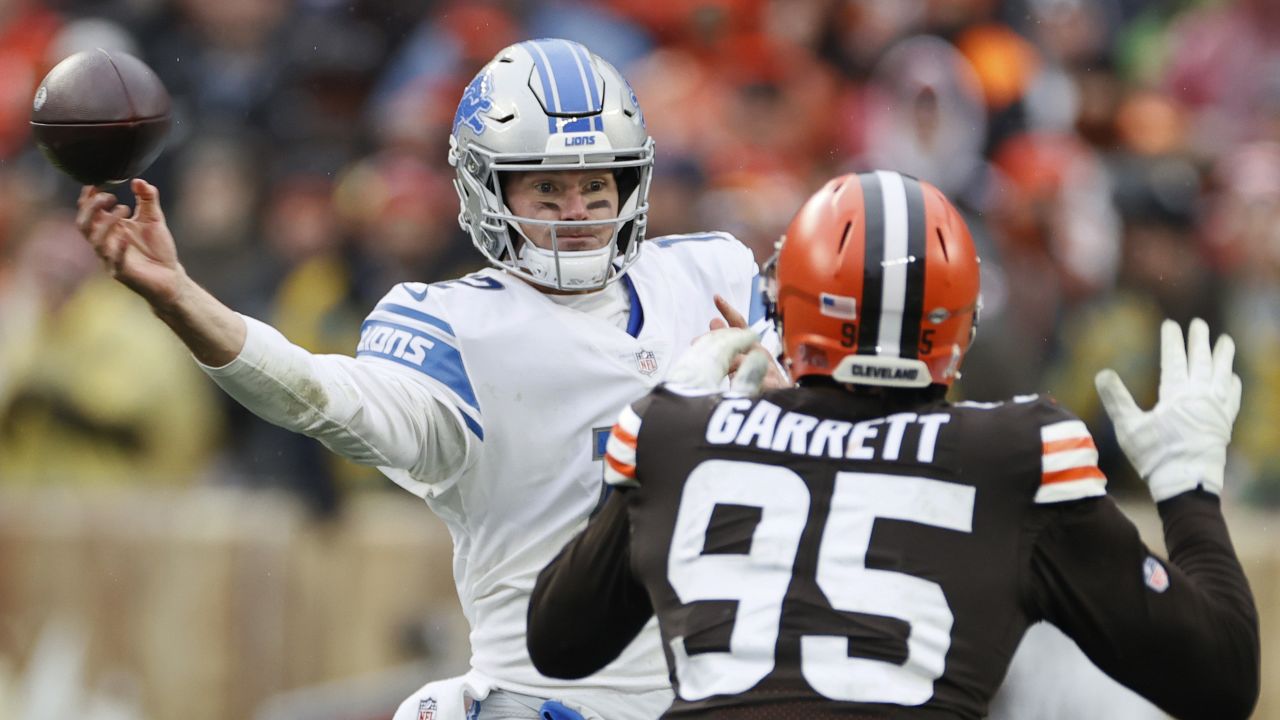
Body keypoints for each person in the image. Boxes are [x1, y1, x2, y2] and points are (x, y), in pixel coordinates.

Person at [75, 38, 780, 720]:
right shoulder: (458, 327)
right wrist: (181, 298)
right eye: (547, 187)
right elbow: (319, 397)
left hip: (733, 692)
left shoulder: (714, 275)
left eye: (596, 183)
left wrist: (792, 400)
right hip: (553, 701)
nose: (577, 213)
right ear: (488, 187)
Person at [527, 170, 1260, 719]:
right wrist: (1187, 485)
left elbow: (559, 645)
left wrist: (652, 436)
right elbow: (1220, 681)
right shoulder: (1014, 456)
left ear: (787, 301)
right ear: (958, 326)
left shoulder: (677, 435)